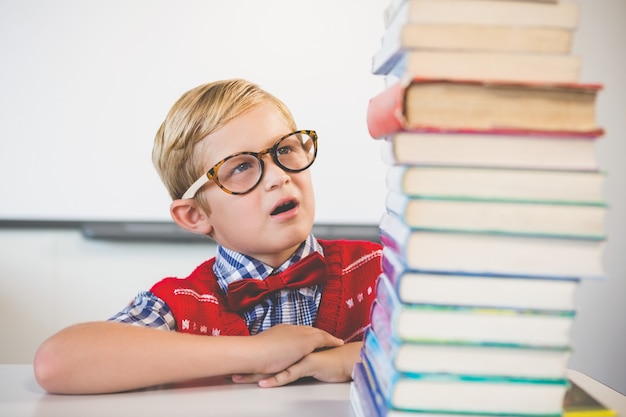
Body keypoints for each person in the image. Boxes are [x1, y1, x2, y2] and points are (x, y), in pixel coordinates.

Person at [33, 79, 383, 394]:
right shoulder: (183, 304)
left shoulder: (379, 270)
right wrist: (259, 352)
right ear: (195, 215)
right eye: (242, 167)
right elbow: (58, 362)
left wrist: (359, 357)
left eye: (285, 150)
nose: (278, 177)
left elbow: (440, 346)